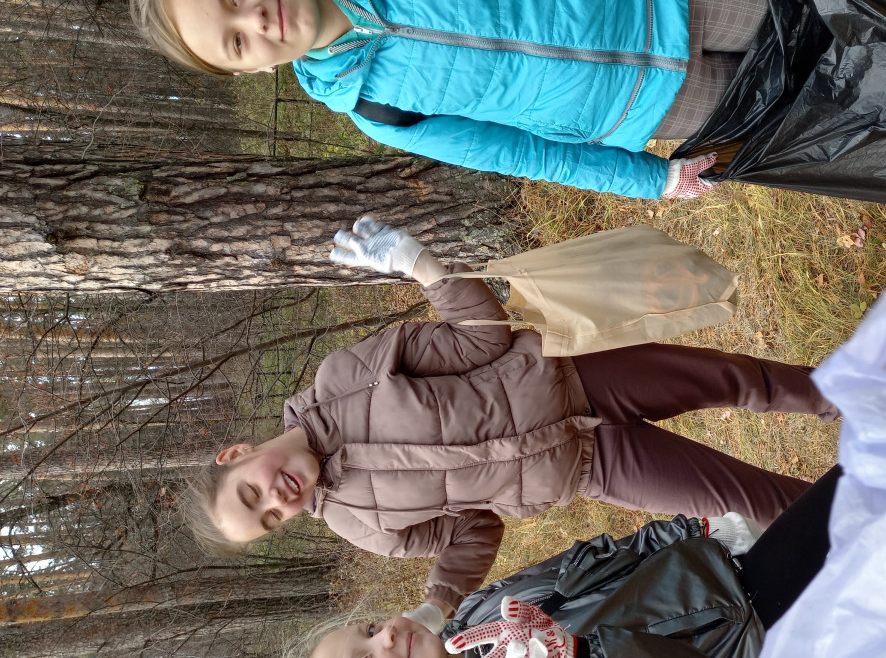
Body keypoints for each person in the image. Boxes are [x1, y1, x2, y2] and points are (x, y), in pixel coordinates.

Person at [187, 215, 838, 628]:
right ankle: (865, 525)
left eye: (251, 492)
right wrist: (437, 604)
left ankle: (865, 395)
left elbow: (482, 337)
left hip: (576, 373)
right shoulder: (363, 526)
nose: (276, 501)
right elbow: (476, 528)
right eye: (269, 520)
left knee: (737, 379)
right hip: (591, 467)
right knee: (756, 504)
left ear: (236, 454)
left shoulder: (343, 379)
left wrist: (421, 266)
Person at [130, 0, 784, 200]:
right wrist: (646, 181)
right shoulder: (380, 112)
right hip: (650, 107)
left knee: (825, 21)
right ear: (250, 70)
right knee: (805, 114)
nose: (253, 20)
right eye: (235, 42)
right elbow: (525, 156)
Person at [283, 466, 843, 658]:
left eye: (368, 630)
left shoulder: (475, 617)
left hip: (736, 564)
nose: (385, 635)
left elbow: (597, 562)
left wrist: (693, 530)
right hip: (770, 639)